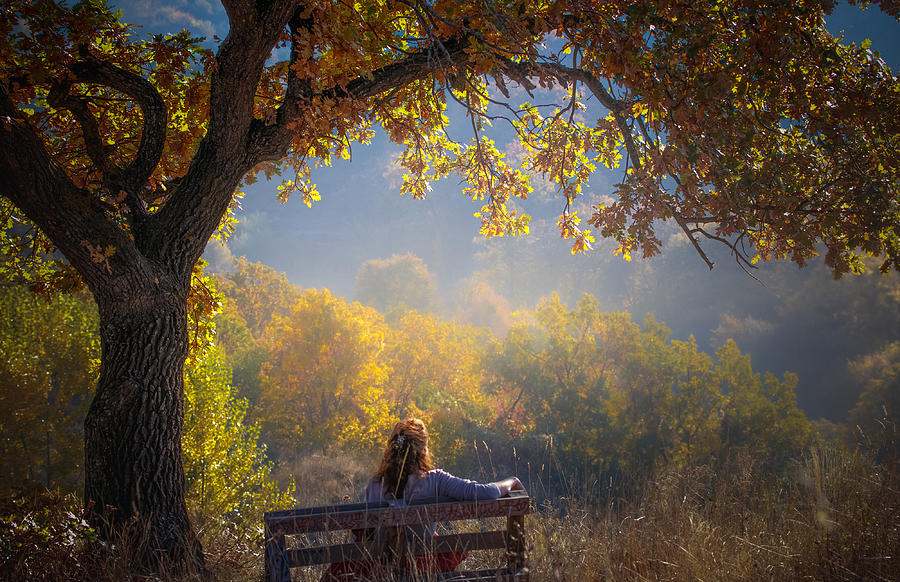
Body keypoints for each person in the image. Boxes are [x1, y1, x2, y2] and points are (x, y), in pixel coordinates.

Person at [324, 418, 524, 581]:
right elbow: (485, 493)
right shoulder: (435, 480)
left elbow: (368, 534)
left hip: (380, 568)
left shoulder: (375, 484)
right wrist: (511, 481)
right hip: (420, 568)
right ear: (423, 449)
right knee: (435, 542)